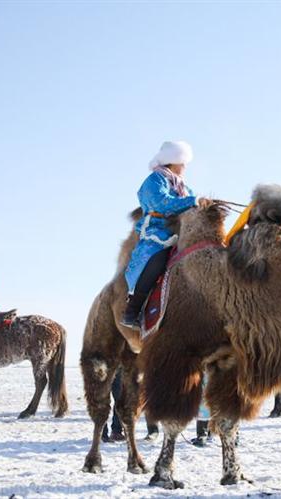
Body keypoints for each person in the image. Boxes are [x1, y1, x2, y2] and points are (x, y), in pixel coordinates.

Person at [121, 140, 199, 328]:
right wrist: (193, 201)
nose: (185, 166)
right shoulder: (155, 181)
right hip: (158, 232)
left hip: (182, 232)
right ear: (173, 161)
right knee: (157, 260)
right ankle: (132, 310)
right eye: (183, 162)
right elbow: (161, 203)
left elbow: (192, 204)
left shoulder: (184, 187)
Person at [101, 368, 125, 443]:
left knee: (120, 399)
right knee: (102, 400)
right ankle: (102, 433)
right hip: (102, 365)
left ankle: (116, 431)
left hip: (118, 365)